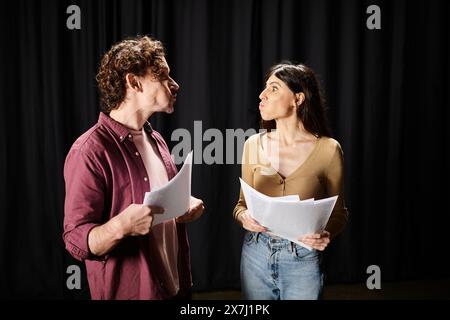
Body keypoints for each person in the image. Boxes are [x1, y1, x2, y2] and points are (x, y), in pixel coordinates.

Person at [63, 36, 204, 300]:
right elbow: (75, 241)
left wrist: (181, 205)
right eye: (162, 75)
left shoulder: (156, 139)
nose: (175, 85)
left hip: (174, 288)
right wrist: (120, 226)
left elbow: (157, 210)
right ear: (133, 81)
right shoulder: (89, 150)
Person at [233, 62, 349, 300]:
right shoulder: (252, 145)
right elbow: (240, 205)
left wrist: (326, 233)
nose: (262, 95)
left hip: (303, 258)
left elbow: (340, 212)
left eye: (274, 88)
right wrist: (242, 216)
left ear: (298, 99)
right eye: (265, 88)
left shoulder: (329, 149)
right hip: (256, 252)